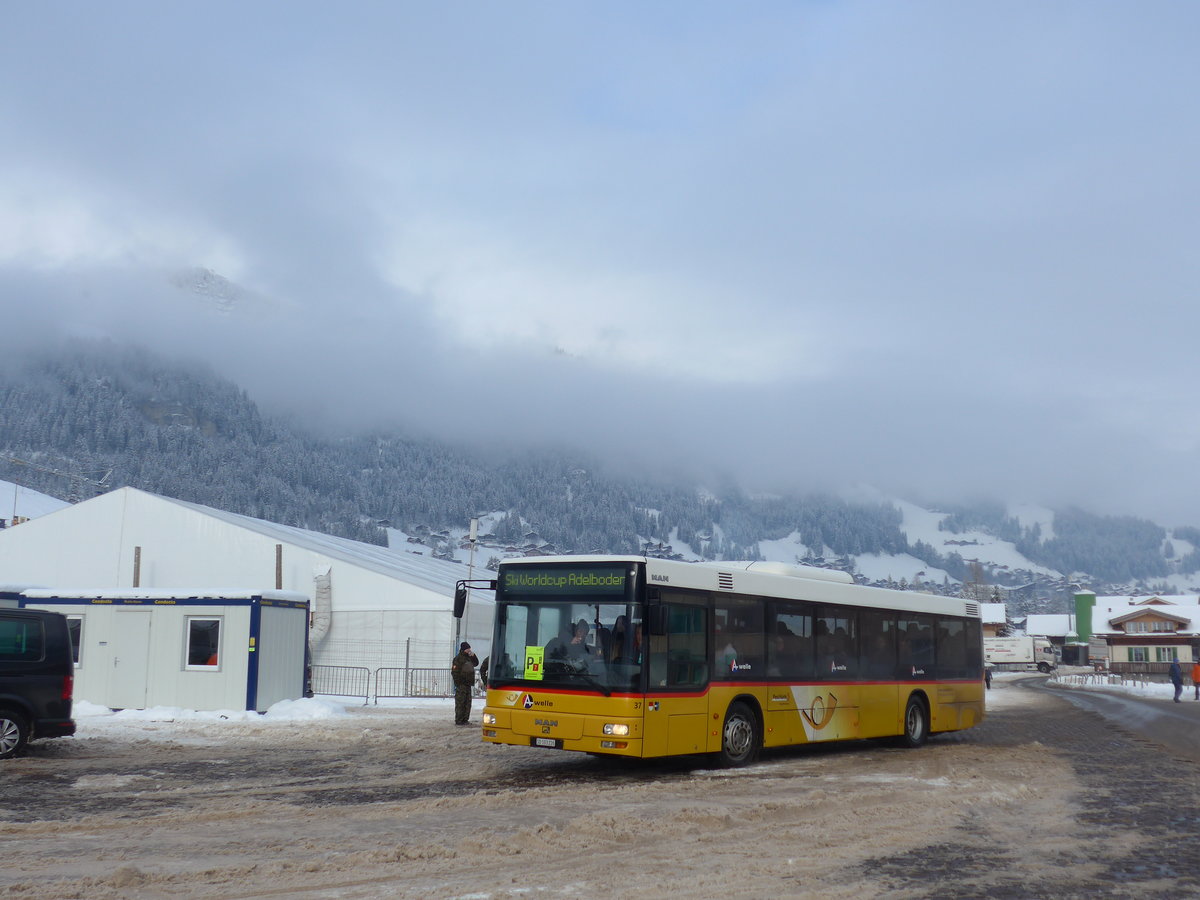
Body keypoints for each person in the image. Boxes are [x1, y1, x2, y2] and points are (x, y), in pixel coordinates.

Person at [451, 641, 479, 725]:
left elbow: (476, 663)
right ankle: (459, 720)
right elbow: (454, 672)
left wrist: (474, 656)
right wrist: (458, 683)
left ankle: (465, 719)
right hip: (461, 684)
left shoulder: (469, 658)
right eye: (468, 649)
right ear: (464, 649)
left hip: (468, 684)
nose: (469, 650)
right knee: (461, 702)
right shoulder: (458, 659)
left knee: (467, 703)